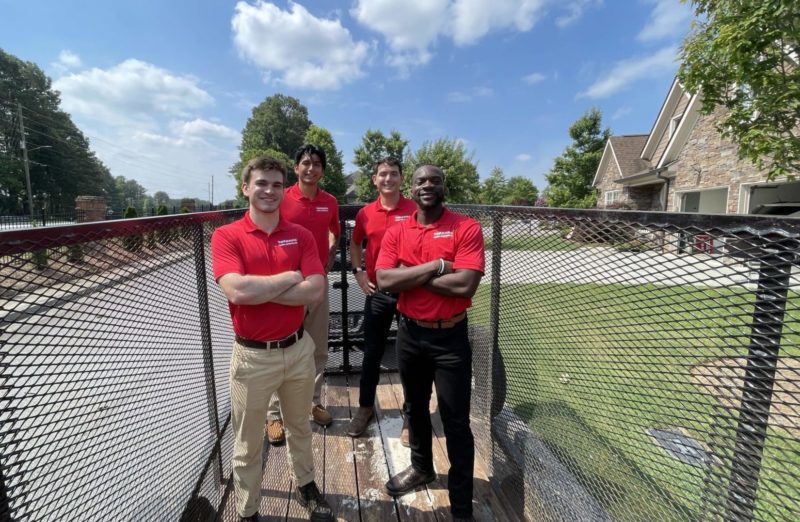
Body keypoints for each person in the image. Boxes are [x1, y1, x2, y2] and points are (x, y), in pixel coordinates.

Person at [210, 156, 334, 522]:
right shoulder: (227, 236)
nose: (269, 191)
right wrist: (290, 276)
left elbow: (315, 290)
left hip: (297, 350)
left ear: (285, 189)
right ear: (246, 188)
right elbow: (236, 290)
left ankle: (306, 484)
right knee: (248, 444)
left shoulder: (302, 234)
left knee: (299, 427)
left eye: (277, 184)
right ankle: (248, 511)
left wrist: (259, 290)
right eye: (261, 183)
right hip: (252, 358)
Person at [375, 165, 484, 521]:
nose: (427, 185)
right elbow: (384, 280)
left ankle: (462, 504)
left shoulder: (465, 227)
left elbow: (465, 285)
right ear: (412, 186)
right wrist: (439, 265)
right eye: (421, 180)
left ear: (443, 187)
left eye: (434, 180)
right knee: (415, 407)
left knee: (455, 421)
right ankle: (422, 468)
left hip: (450, 337)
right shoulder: (398, 230)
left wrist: (411, 274)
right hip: (410, 334)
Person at [266, 144, 341, 445]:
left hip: (317, 284)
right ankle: (274, 415)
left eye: (317, 164)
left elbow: (335, 231)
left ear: (323, 170)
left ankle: (313, 402)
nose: (311, 169)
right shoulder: (282, 198)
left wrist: (330, 255)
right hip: (286, 285)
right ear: (296, 168)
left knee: (316, 348)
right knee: (281, 347)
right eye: (306, 163)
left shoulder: (330, 202)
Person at [345, 157, 417, 439]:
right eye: (383, 174)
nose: (388, 179)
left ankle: (411, 416)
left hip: (410, 291)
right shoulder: (365, 213)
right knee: (372, 353)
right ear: (374, 179)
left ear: (401, 178)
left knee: (411, 357)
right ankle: (365, 408)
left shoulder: (414, 209)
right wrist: (359, 271)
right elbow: (355, 243)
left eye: (394, 174)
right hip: (378, 291)